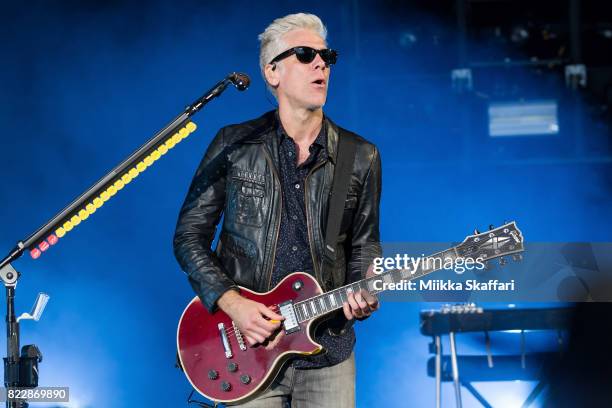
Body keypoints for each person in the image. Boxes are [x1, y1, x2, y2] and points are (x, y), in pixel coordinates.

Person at [173, 13, 382, 407]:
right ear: (272, 72)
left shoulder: (360, 156)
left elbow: (365, 245)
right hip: (247, 350)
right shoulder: (236, 145)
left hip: (328, 352)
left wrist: (366, 287)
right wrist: (233, 304)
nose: (321, 63)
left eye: (327, 56)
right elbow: (188, 237)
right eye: (305, 55)